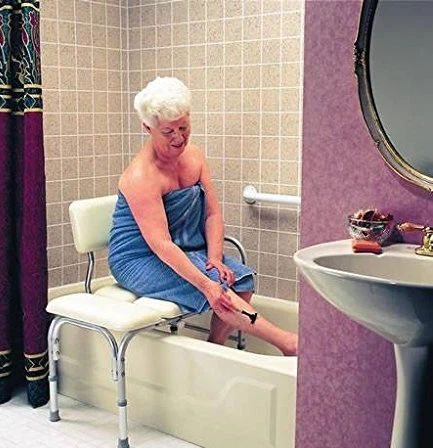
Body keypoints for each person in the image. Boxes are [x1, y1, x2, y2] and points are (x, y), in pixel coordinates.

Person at [108, 77, 298, 356]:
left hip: (183, 248)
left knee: (241, 282)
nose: (178, 138)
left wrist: (215, 258)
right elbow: (161, 244)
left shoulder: (194, 156)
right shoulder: (141, 176)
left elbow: (212, 213)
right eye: (168, 131)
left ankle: (214, 349)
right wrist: (206, 284)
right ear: (147, 128)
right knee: (219, 291)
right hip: (139, 259)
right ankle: (288, 343)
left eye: (184, 127)